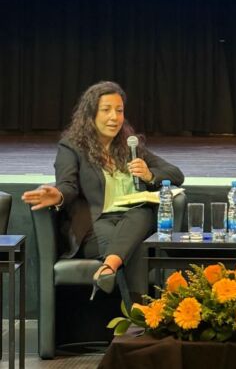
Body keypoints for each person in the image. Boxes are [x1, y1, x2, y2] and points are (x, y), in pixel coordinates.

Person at [22, 80, 184, 303]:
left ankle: (109, 267)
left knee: (142, 212)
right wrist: (58, 195)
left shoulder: (130, 146)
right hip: (95, 225)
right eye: (106, 110)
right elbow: (68, 185)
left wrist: (149, 175)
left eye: (119, 111)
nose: (114, 117)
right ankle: (141, 315)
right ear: (91, 114)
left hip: (133, 220)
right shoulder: (72, 147)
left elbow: (176, 174)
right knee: (138, 247)